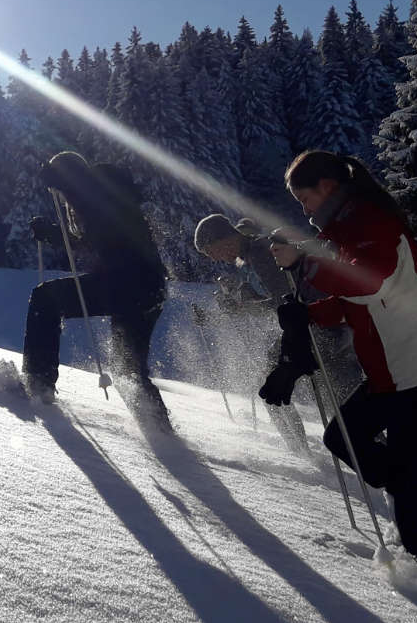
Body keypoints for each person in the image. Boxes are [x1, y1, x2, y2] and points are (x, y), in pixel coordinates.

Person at [265, 150, 417, 581]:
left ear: (326, 187)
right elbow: (358, 302)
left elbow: (369, 280)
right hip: (390, 369)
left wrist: (306, 262)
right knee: (344, 437)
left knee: (409, 473)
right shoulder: (348, 228)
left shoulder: (372, 221)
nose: (303, 210)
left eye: (304, 199)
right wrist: (311, 314)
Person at [23, 151, 171, 430]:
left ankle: (38, 383)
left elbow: (94, 202)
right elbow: (97, 240)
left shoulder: (100, 189)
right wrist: (55, 234)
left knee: (46, 299)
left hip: (128, 283)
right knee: (127, 369)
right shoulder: (101, 201)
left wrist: (66, 182)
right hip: (144, 289)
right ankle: (161, 432)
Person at [193, 213, 311, 456]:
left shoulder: (259, 253)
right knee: (273, 389)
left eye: (210, 251)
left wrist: (243, 307)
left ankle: (302, 452)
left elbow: (282, 299)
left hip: (310, 327)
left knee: (273, 390)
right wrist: (237, 303)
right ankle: (301, 451)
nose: (214, 258)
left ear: (222, 240)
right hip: (303, 326)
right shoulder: (247, 256)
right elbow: (265, 299)